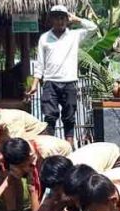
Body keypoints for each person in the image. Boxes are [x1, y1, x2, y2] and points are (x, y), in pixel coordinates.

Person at [26, 5, 98, 146]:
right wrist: (34, 85)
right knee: (50, 116)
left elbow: (93, 28)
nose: (60, 21)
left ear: (67, 19)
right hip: (50, 82)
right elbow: (40, 64)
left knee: (69, 117)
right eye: (56, 18)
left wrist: (77, 19)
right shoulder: (44, 38)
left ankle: (68, 146)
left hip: (69, 81)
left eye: (62, 17)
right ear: (51, 20)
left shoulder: (74, 36)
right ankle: (50, 146)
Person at [0, 136, 72, 211]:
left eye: (22, 166)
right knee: (33, 187)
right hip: (41, 158)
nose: (22, 169)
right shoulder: (17, 154)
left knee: (58, 188)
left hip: (62, 153)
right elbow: (13, 174)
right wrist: (1, 189)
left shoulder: (44, 150)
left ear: (27, 159)